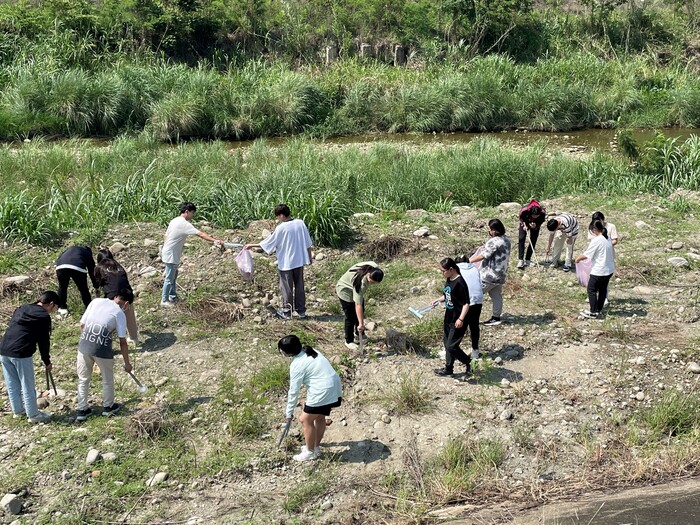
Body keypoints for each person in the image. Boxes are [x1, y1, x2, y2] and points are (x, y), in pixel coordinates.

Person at [279, 334, 342, 462]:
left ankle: (309, 452)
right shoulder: (310, 350)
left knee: (305, 420)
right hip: (334, 386)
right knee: (319, 417)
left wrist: (289, 412)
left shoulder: (297, 365)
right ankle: (315, 446)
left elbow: (293, 391)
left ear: (288, 353)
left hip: (322, 391)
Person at [244, 204, 313, 319]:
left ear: (281, 215)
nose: (277, 219)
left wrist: (252, 245)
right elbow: (308, 242)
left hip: (286, 263)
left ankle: (287, 311)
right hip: (299, 261)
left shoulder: (281, 228)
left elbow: (269, 242)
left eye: (277, 216)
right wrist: (309, 257)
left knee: (286, 288)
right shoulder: (300, 223)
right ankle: (301, 311)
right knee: (299, 286)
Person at [75, 289, 135, 421]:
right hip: (102, 348)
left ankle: (81, 410)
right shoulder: (119, 313)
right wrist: (127, 363)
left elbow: (82, 324)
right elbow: (122, 342)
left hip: (83, 345)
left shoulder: (96, 301)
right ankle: (108, 407)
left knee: (83, 379)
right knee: (107, 379)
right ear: (126, 304)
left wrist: (88, 340)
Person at [0, 291, 59, 423]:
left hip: (4, 349)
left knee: (11, 382)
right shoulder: (43, 316)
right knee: (27, 384)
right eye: (54, 309)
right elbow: (43, 341)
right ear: (51, 304)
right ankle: (33, 415)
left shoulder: (23, 307)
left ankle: (18, 411)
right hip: (21, 352)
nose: (53, 312)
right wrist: (47, 361)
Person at [161, 202, 221, 307]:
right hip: (171, 254)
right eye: (192, 213)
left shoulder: (174, 220)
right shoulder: (184, 224)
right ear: (187, 211)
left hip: (169, 252)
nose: (192, 216)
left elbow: (165, 236)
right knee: (169, 278)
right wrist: (214, 240)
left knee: (174, 276)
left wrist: (166, 248)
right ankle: (164, 300)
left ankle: (172, 295)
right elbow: (200, 234)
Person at [432, 258, 472, 378]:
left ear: (451, 269)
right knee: (446, 343)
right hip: (448, 316)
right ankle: (448, 368)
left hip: (458, 318)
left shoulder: (460, 282)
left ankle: (469, 362)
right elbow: (448, 295)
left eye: (443, 271)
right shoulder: (449, 279)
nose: (442, 273)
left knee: (451, 346)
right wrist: (438, 300)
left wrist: (461, 319)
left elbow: (466, 303)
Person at [467, 219, 511, 327]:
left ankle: (468, 318)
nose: (489, 231)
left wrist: (468, 261)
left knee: (473, 295)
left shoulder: (493, 241)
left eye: (490, 229)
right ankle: (496, 317)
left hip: (489, 275)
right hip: (501, 274)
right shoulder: (507, 240)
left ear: (494, 230)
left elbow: (484, 255)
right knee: (496, 296)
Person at [335, 261, 384, 351]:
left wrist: (360, 322)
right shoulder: (361, 283)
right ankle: (349, 340)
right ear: (368, 275)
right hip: (345, 290)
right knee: (350, 316)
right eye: (372, 282)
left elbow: (360, 306)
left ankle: (359, 333)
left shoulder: (374, 267)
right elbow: (358, 305)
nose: (372, 285)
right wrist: (361, 323)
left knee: (361, 311)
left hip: (353, 287)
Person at [94, 248, 139, 345]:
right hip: (128, 294)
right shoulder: (118, 266)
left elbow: (98, 284)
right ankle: (134, 338)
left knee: (108, 320)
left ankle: (105, 343)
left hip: (113, 297)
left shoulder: (100, 268)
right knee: (129, 315)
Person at [575, 219, 615, 319]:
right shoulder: (608, 237)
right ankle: (598, 309)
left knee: (591, 289)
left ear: (594, 229)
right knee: (602, 289)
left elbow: (587, 255)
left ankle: (593, 312)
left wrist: (577, 259)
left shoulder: (597, 240)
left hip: (599, 270)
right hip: (609, 269)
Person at [55, 245, 97, 314]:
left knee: (62, 287)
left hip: (60, 266)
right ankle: (88, 308)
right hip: (77, 267)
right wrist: (95, 285)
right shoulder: (87, 253)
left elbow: (60, 257)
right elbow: (92, 271)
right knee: (83, 289)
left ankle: (62, 308)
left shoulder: (70, 249)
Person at [456, 260, 484, 360]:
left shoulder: (456, 269)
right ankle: (475, 350)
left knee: (459, 325)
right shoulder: (475, 268)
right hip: (478, 299)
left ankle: (453, 350)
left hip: (466, 300)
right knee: (474, 325)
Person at [517, 200, 547, 269]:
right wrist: (524, 225)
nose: (536, 216)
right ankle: (520, 259)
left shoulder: (542, 212)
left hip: (535, 225)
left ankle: (528, 259)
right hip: (525, 223)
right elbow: (520, 217)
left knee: (533, 240)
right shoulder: (524, 210)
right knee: (521, 239)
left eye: (537, 215)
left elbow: (542, 220)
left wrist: (536, 225)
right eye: (534, 215)